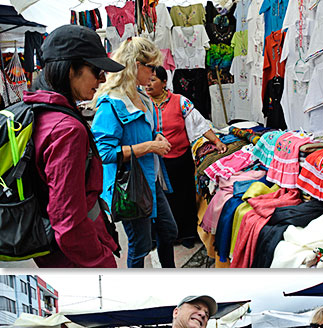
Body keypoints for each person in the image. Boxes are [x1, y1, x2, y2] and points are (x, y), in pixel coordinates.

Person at [26, 25, 121, 267]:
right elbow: (68, 220)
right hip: (75, 258)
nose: (103, 79)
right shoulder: (68, 130)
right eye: (96, 70)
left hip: (50, 247)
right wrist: (102, 261)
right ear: (71, 70)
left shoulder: (37, 112)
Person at [92, 36, 178, 269]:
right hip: (128, 187)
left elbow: (145, 133)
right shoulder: (111, 104)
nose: (154, 72)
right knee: (140, 245)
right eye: (150, 66)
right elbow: (105, 153)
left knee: (168, 230)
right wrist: (150, 147)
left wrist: (155, 138)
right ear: (136, 65)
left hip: (149, 181)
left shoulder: (141, 97)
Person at [145, 67, 224, 244]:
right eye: (147, 81)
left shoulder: (180, 101)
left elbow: (199, 124)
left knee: (184, 196)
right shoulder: (143, 103)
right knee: (159, 199)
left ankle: (186, 234)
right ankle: (161, 236)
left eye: (153, 80)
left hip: (179, 159)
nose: (148, 85)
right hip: (155, 161)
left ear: (164, 82)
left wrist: (217, 142)